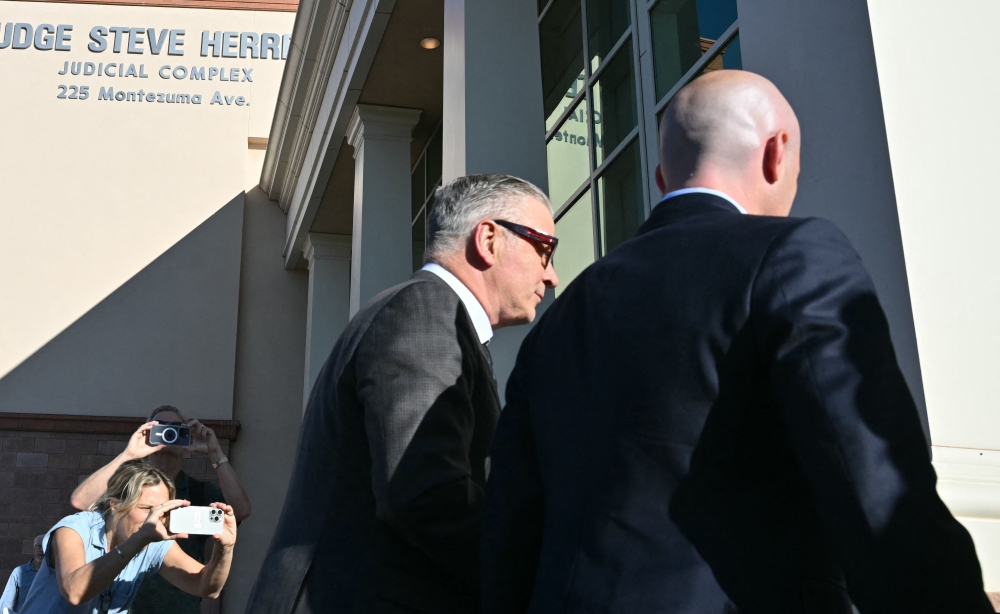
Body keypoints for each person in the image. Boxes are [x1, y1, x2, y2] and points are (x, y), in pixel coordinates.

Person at [481, 70, 993, 613]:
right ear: (777, 153)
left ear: (660, 179)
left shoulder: (561, 320)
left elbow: (510, 530)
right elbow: (871, 478)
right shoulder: (795, 254)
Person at [245, 174, 559, 614]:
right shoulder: (424, 314)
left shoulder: (435, 318)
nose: (553, 275)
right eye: (545, 249)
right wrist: (539, 571)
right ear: (488, 239)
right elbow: (424, 492)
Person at [69, 405, 251, 614]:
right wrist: (130, 453)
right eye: (161, 427)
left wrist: (214, 452)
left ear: (187, 436)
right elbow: (81, 502)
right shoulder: (125, 487)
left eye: (177, 428)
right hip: (123, 606)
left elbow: (241, 511)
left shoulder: (198, 492)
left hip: (178, 606)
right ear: (147, 431)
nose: (169, 433)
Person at [19, 460, 237, 613]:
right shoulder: (74, 529)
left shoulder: (153, 541)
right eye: (146, 508)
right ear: (115, 505)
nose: (156, 518)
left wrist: (224, 549)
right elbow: (75, 592)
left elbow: (206, 587)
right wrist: (139, 540)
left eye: (163, 510)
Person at [0, 535, 43, 612]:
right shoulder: (18, 572)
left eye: (45, 546)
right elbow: (6, 605)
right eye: (39, 546)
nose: (42, 550)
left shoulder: (55, 575)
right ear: (33, 549)